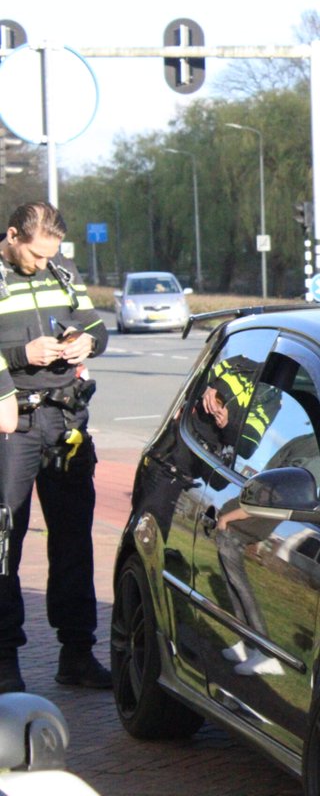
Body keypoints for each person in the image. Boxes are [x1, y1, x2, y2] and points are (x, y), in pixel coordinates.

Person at [0, 202, 110, 693]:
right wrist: (22, 355)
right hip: (13, 424)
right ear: (12, 236)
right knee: (6, 541)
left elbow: (96, 328)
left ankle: (78, 654)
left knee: (73, 538)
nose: (45, 265)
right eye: (36, 256)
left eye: (52, 256)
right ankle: (5, 664)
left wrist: (84, 342)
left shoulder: (63, 271)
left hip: (65, 419)